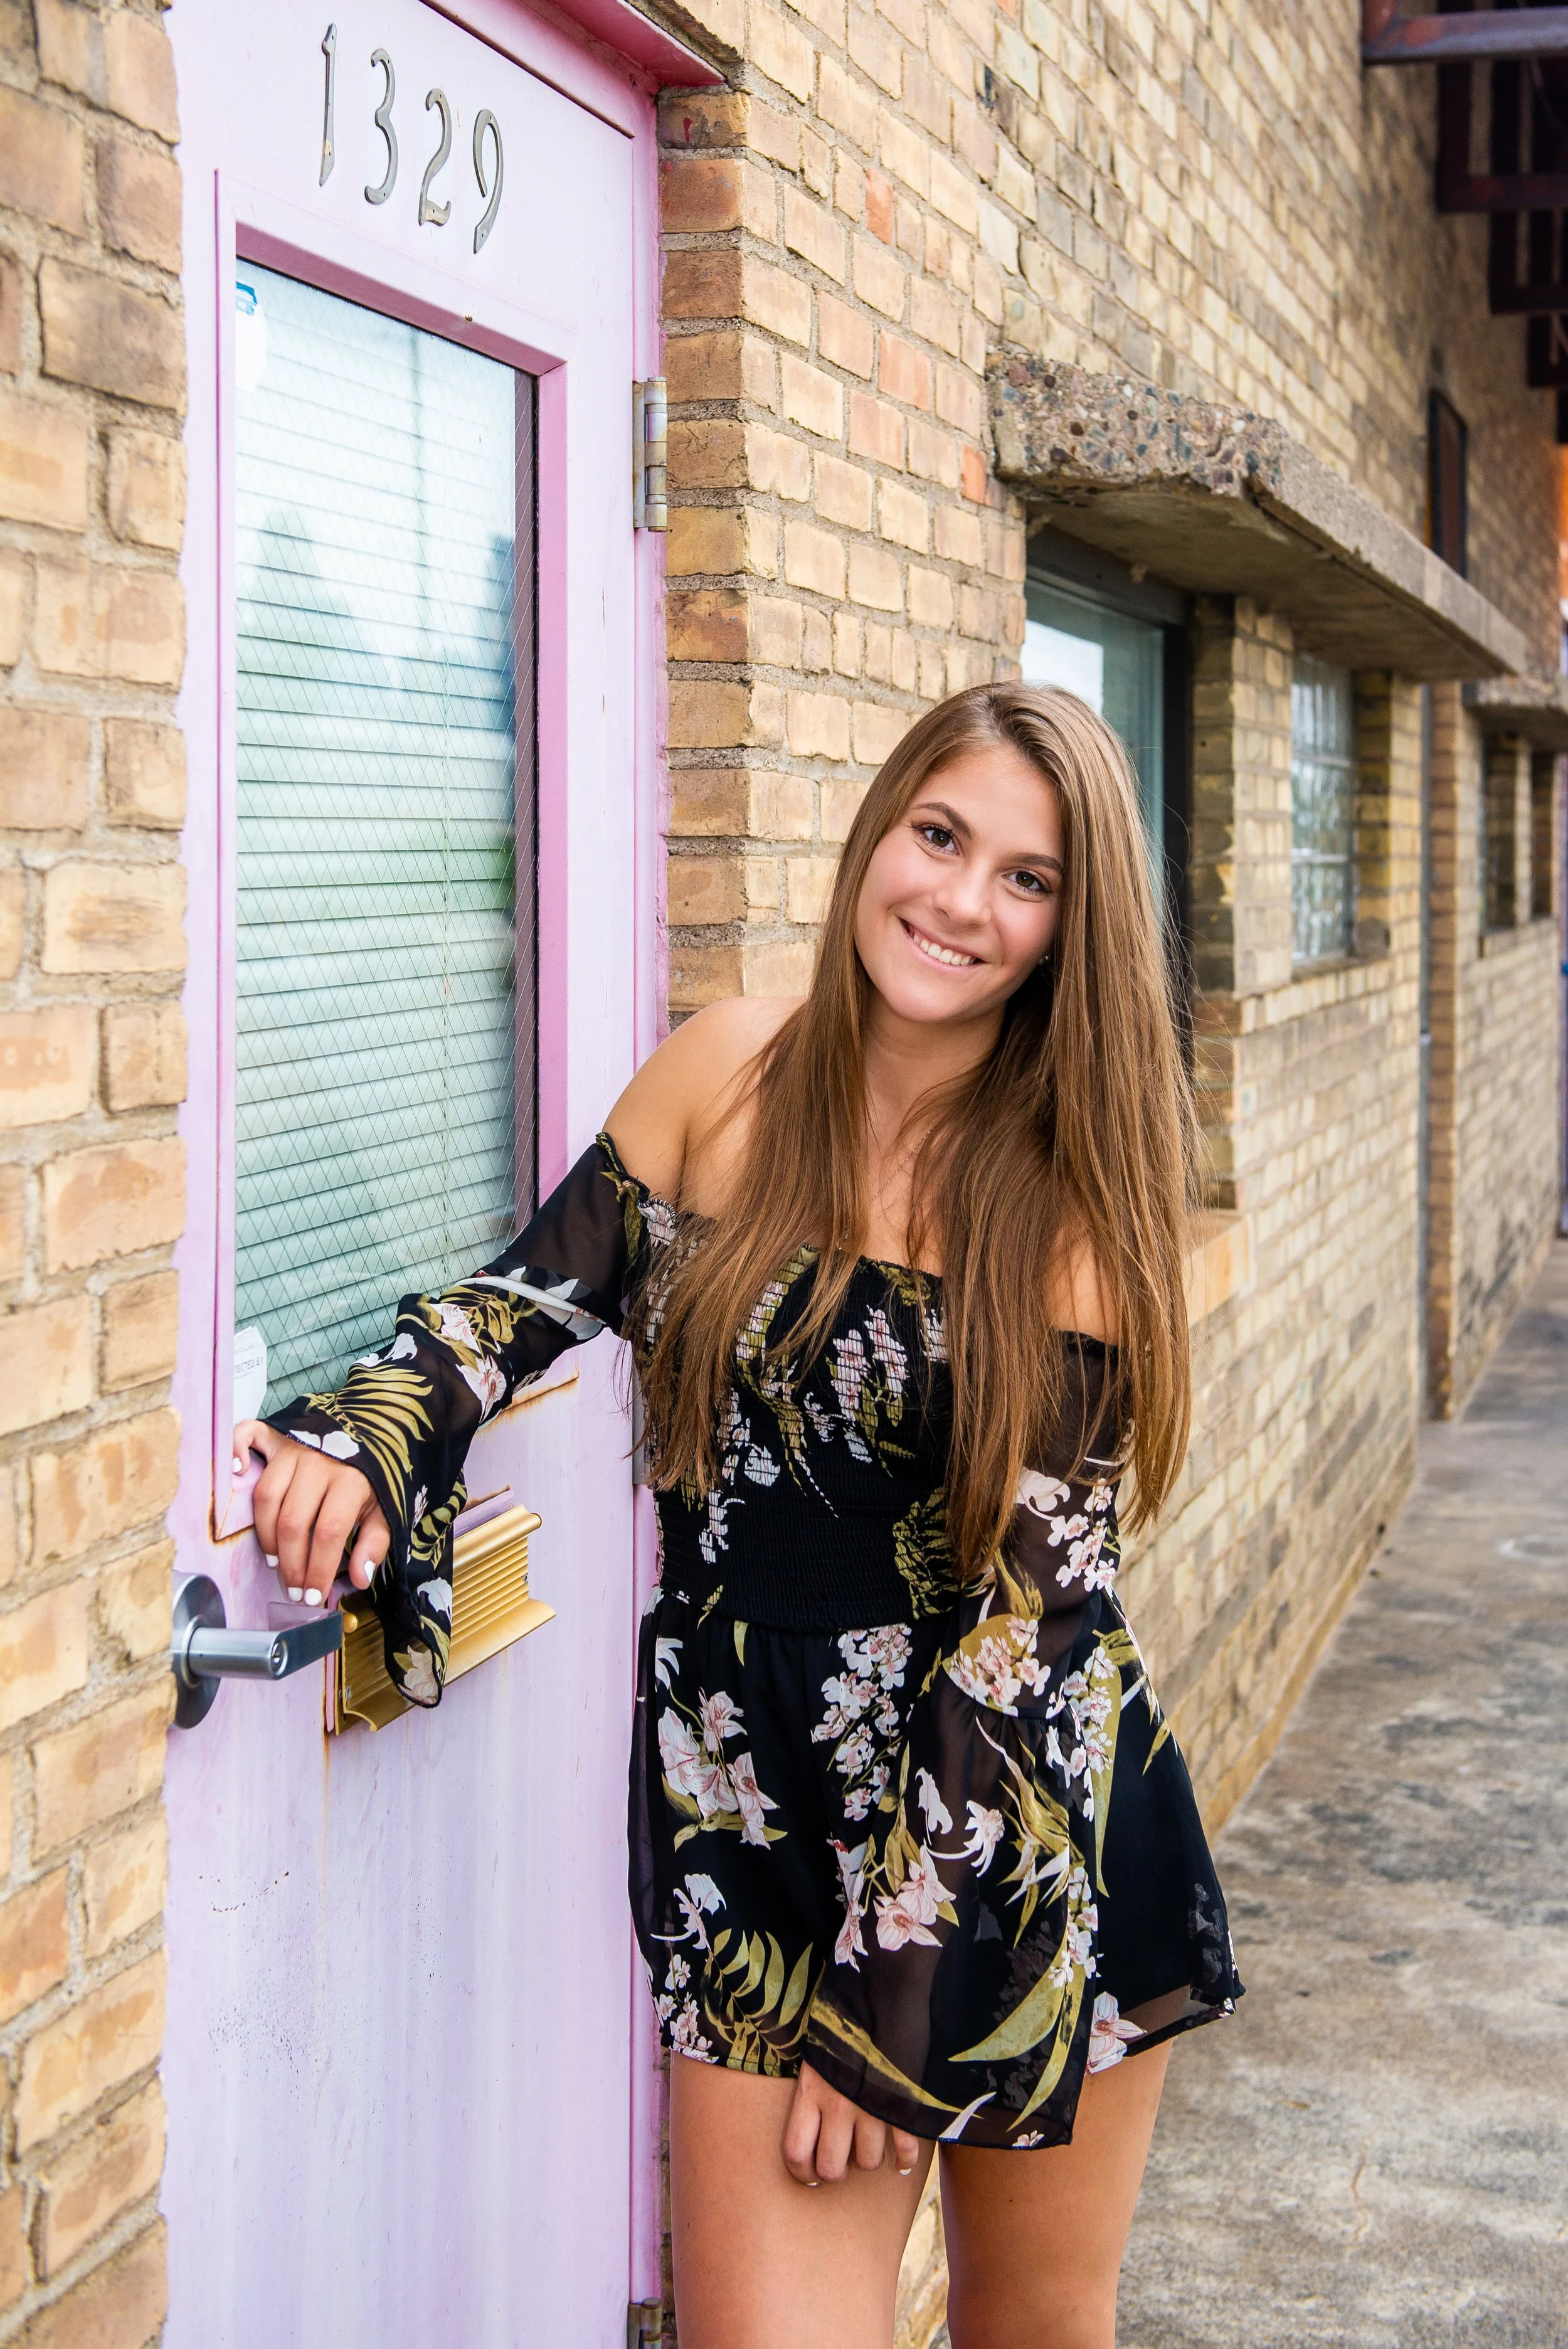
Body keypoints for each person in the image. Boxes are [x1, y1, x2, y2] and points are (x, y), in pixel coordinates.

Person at [238, 682, 1241, 2349]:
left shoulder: (1072, 1194)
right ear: (877, 831)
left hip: (1008, 1815)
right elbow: (519, 1304)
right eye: (939, 836)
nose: (959, 901)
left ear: (1072, 927)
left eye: (1026, 878)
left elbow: (1034, 1623)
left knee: (1034, 2326)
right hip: (746, 1812)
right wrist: (362, 1437)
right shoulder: (725, 1070)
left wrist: (893, 1993)